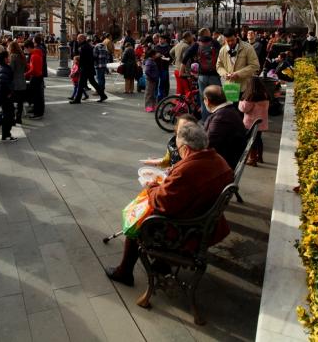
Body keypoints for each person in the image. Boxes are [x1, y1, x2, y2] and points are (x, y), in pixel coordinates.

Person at [105, 120, 234, 286]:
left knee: (138, 221)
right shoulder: (219, 161)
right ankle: (161, 264)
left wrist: (151, 186)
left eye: (179, 148)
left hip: (186, 231)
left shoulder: (188, 169)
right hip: (205, 223)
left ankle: (125, 272)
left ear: (186, 149)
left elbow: (163, 203)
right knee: (147, 214)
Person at [202, 85, 248, 169]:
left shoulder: (221, 118)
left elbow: (207, 145)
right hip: (226, 159)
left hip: (221, 165)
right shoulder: (229, 111)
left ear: (207, 101)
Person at [182, 30, 222, 120]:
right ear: (208, 34)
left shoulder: (197, 44)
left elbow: (186, 56)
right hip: (214, 76)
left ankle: (205, 121)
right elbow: (222, 55)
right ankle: (216, 120)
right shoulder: (215, 43)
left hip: (202, 76)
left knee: (204, 100)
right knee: (217, 99)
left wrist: (181, 71)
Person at [216, 28, 260, 102]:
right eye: (228, 41)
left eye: (232, 40)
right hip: (230, 86)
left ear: (236, 36)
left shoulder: (248, 48)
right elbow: (219, 66)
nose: (230, 43)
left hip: (245, 87)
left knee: (242, 111)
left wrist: (238, 74)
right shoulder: (223, 50)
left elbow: (255, 65)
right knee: (231, 110)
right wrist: (224, 74)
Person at [238, 78, 270, 166]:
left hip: (251, 123)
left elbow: (243, 109)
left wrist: (241, 102)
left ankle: (252, 159)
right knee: (258, 139)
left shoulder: (251, 96)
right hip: (262, 122)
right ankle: (259, 157)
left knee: (251, 140)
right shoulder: (265, 95)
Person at [70, 34, 107, 104]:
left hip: (85, 68)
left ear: (82, 39)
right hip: (89, 67)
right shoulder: (88, 46)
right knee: (93, 82)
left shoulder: (83, 47)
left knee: (81, 84)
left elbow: (82, 59)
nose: (77, 40)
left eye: (78, 39)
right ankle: (103, 95)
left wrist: (78, 68)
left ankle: (77, 99)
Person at [7, 41, 27, 125]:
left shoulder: (13, 56)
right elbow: (25, 68)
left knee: (11, 101)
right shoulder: (22, 56)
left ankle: (13, 118)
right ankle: (19, 118)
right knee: (20, 102)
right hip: (22, 81)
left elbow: (11, 69)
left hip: (15, 82)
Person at [170, 32, 194, 96]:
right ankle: (186, 105)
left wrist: (176, 59)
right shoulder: (186, 46)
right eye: (191, 36)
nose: (192, 38)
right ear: (188, 37)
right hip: (183, 71)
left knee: (179, 90)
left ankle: (178, 104)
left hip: (177, 70)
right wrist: (188, 74)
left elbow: (171, 52)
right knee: (187, 91)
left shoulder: (178, 44)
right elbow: (186, 61)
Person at [153, 34, 172, 101]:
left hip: (164, 67)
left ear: (165, 40)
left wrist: (165, 58)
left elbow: (171, 58)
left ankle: (161, 98)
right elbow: (152, 56)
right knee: (156, 82)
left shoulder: (168, 48)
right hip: (157, 67)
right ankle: (155, 97)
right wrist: (156, 56)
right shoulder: (156, 47)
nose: (160, 40)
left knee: (163, 83)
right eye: (159, 39)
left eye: (161, 39)